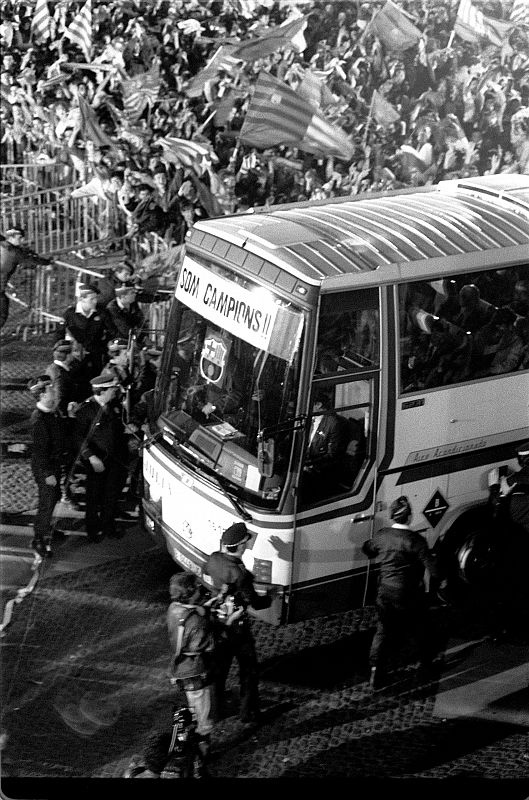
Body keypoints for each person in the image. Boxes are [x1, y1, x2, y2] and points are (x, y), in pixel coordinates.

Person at [362, 496, 440, 690]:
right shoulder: (416, 541)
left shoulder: (382, 535)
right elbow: (435, 570)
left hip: (385, 591)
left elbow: (369, 549)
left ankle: (375, 671)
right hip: (409, 593)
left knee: (383, 631)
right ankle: (426, 665)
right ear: (410, 517)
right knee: (421, 628)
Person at [203, 522, 271, 725]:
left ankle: (215, 711)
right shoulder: (238, 573)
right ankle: (247, 712)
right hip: (237, 628)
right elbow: (255, 603)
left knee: (219, 671)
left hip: (217, 623)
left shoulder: (214, 558)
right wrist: (270, 598)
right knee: (248, 670)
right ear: (241, 546)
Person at [166, 572, 216, 774]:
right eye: (196, 588)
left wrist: (200, 609)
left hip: (180, 670)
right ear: (190, 593)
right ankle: (200, 759)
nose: (199, 589)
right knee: (202, 718)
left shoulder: (173, 609)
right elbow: (208, 646)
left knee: (190, 710)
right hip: (195, 671)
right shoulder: (197, 623)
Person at [73, 372, 129, 542]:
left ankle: (108, 526)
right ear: (102, 391)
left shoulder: (115, 406)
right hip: (96, 461)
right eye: (112, 388)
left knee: (111, 495)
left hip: (115, 460)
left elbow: (119, 429)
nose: (115, 391)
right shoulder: (86, 410)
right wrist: (90, 457)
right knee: (94, 496)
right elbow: (78, 437)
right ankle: (92, 529)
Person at [27, 375, 66, 557]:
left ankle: (47, 529)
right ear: (42, 395)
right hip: (46, 469)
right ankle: (39, 539)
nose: (54, 391)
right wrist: (48, 474)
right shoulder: (39, 420)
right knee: (46, 503)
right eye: (50, 389)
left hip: (54, 465)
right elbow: (40, 451)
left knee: (54, 497)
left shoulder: (50, 412)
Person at [59, 284, 108, 395]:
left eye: (96, 298)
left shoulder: (101, 313)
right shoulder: (70, 314)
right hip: (75, 357)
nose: (95, 301)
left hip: (95, 356)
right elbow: (59, 335)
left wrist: (102, 347)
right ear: (82, 299)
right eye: (92, 299)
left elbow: (110, 332)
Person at [1, 227, 51, 328]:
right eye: (20, 238)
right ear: (12, 237)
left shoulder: (3, 244)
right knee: (2, 314)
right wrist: (48, 262)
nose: (23, 240)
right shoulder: (15, 253)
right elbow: (32, 260)